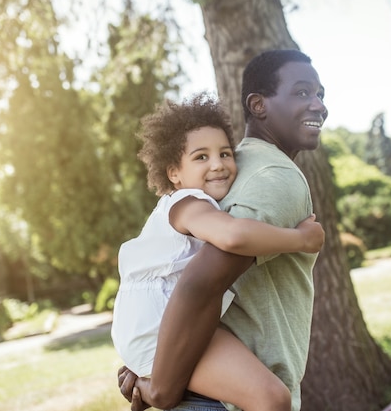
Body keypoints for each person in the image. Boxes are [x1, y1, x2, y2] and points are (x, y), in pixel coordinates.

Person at [118, 49, 328, 411]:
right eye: (302, 92)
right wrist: (162, 389)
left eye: (320, 94)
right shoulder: (266, 178)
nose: (319, 105)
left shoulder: (237, 171)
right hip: (216, 400)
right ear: (258, 105)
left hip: (191, 362)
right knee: (271, 399)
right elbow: (206, 274)